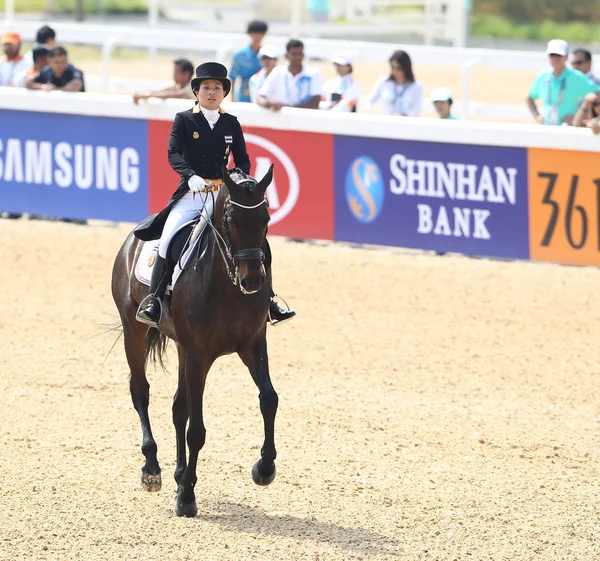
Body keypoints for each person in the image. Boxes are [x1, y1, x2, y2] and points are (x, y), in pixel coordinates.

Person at [134, 62, 295, 327]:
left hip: (223, 194)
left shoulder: (231, 123)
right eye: (206, 87)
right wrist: (191, 176)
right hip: (192, 193)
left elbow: (243, 160)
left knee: (257, 241)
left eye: (217, 88)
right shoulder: (185, 119)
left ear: (224, 93)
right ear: (196, 91)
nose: (211, 92)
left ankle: (269, 300)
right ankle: (154, 299)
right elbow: (173, 153)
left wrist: (234, 180)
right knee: (169, 238)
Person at [527, 39, 597, 126]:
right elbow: (529, 98)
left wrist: (580, 119)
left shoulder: (576, 77)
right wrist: (536, 115)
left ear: (566, 57)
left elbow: (597, 94)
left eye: (559, 55)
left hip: (568, 131)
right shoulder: (543, 77)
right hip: (546, 128)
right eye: (552, 55)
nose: (555, 58)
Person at [257, 39, 323, 111]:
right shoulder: (278, 72)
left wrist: (287, 107)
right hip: (281, 120)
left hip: (305, 120)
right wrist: (266, 103)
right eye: (294, 54)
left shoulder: (313, 73)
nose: (297, 57)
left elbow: (314, 104)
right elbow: (261, 97)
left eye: (299, 54)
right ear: (286, 55)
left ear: (303, 55)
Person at [366, 50, 423, 116]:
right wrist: (369, 111)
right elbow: (369, 101)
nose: (395, 71)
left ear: (406, 68)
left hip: (405, 124)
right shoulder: (384, 82)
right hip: (385, 122)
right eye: (393, 67)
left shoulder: (416, 86)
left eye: (398, 68)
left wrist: (402, 116)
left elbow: (416, 111)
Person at [229, 20, 268, 103]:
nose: (258, 36)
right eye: (255, 33)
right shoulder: (240, 54)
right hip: (244, 97)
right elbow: (232, 77)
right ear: (250, 33)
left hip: (263, 97)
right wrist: (232, 99)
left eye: (261, 33)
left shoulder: (267, 55)